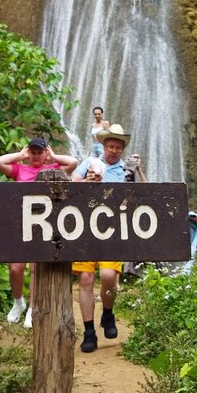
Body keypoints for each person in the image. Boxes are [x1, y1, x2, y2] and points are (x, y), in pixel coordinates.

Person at [0, 137, 78, 327]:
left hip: (43, 225)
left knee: (35, 268)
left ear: (45, 153)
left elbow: (73, 163)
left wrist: (54, 156)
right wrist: (20, 155)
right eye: (32, 152)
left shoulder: (54, 169)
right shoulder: (20, 169)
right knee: (16, 268)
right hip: (20, 223)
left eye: (39, 152)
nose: (36, 155)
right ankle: (19, 302)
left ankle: (32, 309)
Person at [72, 125, 130, 351]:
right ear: (103, 146)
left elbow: (139, 195)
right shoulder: (89, 163)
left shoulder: (126, 171)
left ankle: (107, 313)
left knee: (107, 276)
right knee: (86, 279)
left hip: (111, 228)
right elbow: (71, 184)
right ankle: (89, 332)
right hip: (85, 227)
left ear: (122, 150)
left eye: (118, 147)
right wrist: (89, 181)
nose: (114, 150)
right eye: (110, 146)